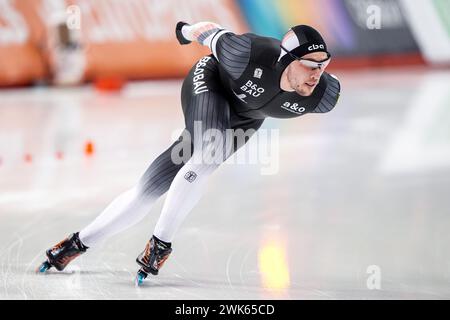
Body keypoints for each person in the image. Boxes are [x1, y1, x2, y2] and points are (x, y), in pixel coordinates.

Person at [37, 21, 341, 284]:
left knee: (149, 187)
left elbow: (331, 82)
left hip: (246, 118)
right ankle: (161, 244)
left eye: (324, 64)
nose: (318, 74)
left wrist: (322, 73)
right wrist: (183, 30)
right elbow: (207, 32)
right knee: (210, 148)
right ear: (286, 59)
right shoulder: (245, 54)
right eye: (311, 65)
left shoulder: (323, 95)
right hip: (210, 85)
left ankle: (75, 244)